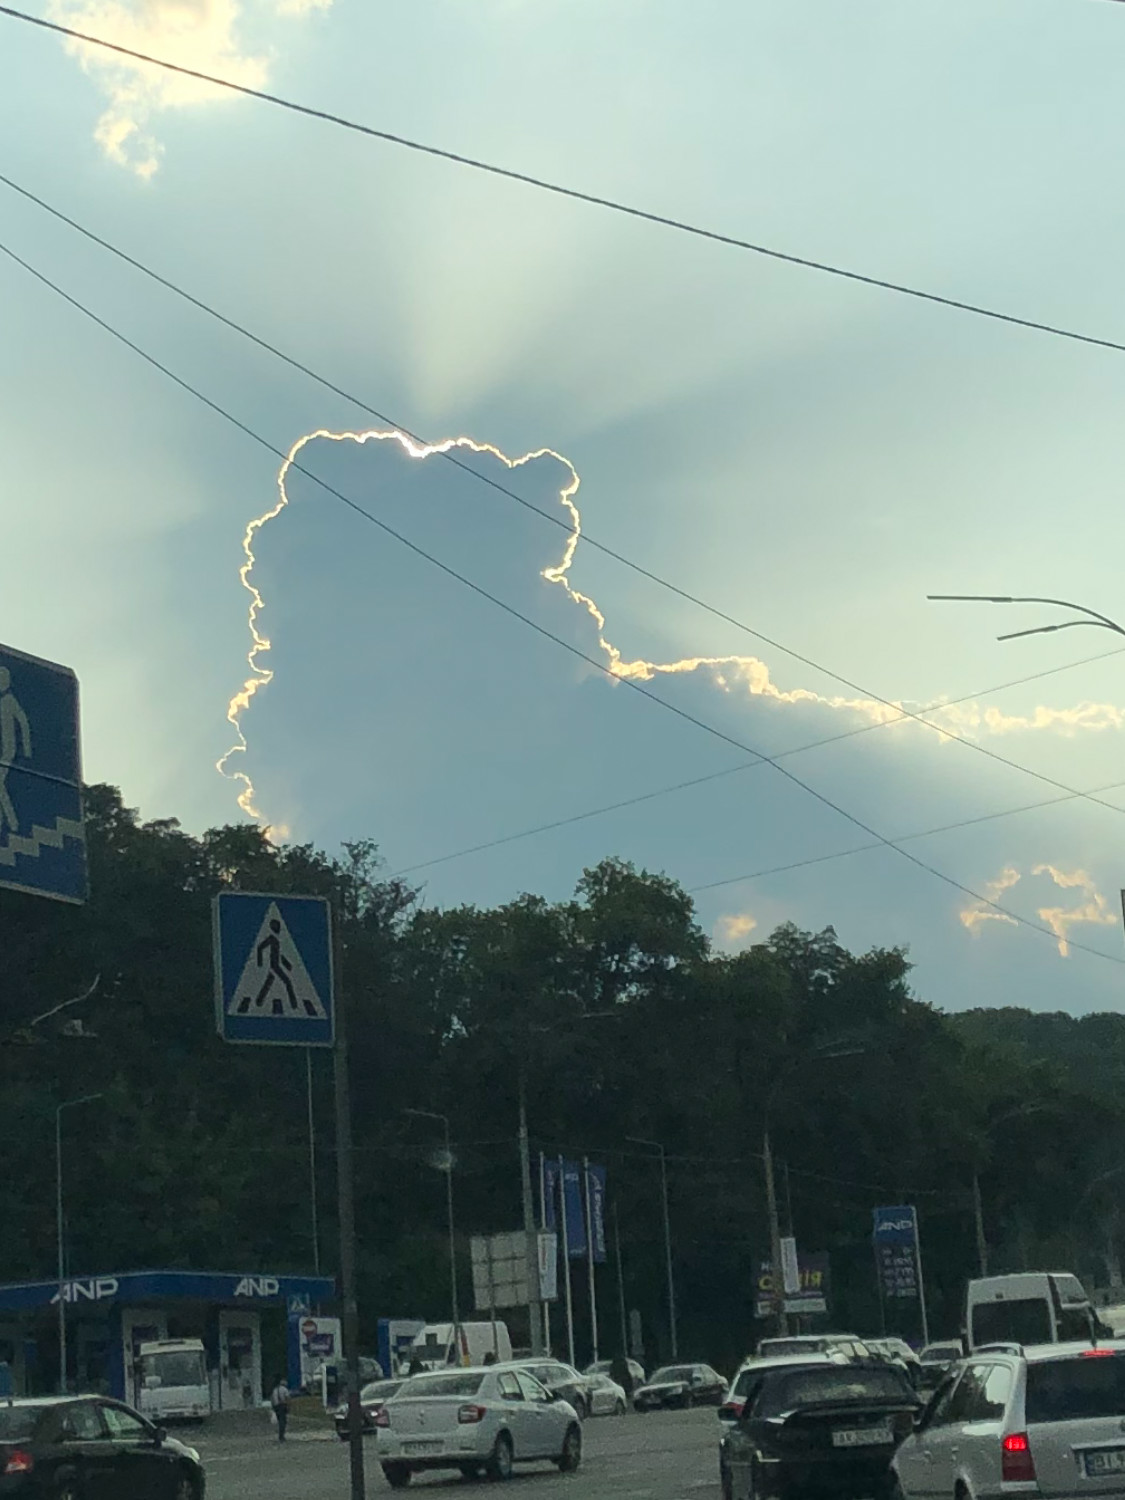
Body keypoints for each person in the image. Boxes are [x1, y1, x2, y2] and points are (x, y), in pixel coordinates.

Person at [270, 1376, 291, 1442]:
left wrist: (273, 1407)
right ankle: (281, 1436)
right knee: (283, 1422)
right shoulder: (284, 1389)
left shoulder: (274, 1390)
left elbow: (272, 1399)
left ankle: (281, 1435)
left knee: (280, 1421)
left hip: (276, 1406)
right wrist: (288, 1406)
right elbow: (287, 1398)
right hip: (282, 1406)